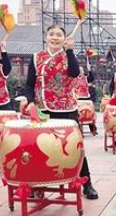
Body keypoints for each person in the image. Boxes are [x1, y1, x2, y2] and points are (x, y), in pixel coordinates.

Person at [25, 25, 98, 200]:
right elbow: (29, 84)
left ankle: (87, 184)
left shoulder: (68, 56)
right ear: (46, 37)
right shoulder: (36, 58)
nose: (55, 37)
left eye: (59, 35)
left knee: (75, 147)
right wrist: (29, 101)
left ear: (64, 39)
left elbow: (74, 73)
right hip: (43, 109)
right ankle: (37, 184)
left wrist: (70, 50)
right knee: (40, 148)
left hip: (66, 109)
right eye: (51, 34)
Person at [74, 64, 97, 135]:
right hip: (78, 99)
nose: (80, 71)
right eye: (79, 70)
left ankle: (93, 129)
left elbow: (92, 78)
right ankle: (78, 129)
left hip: (86, 99)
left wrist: (89, 70)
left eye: (81, 70)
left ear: (83, 71)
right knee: (77, 116)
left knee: (89, 114)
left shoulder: (86, 78)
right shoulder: (74, 79)